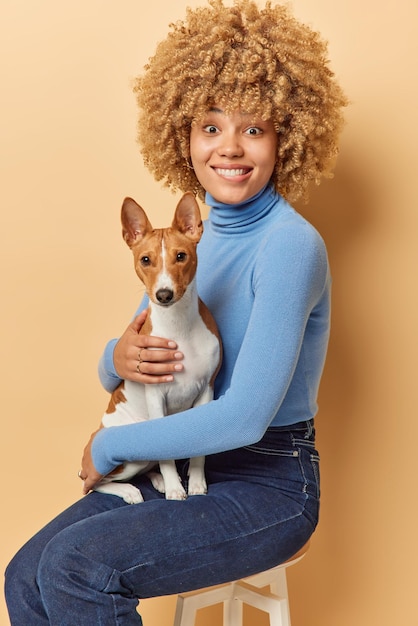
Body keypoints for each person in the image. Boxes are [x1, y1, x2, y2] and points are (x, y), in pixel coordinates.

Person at [4, 1, 347, 623]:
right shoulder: (181, 248)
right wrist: (114, 356)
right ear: (181, 136)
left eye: (255, 128)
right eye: (211, 127)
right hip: (177, 463)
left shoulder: (291, 245)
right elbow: (126, 363)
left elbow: (242, 419)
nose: (231, 148)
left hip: (267, 482)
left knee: (78, 569)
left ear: (288, 137)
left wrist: (112, 449)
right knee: (26, 576)